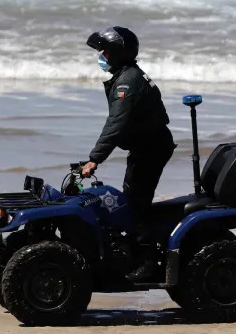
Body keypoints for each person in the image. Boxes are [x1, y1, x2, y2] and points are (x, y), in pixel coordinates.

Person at [81, 26, 176, 282]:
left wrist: (95, 158)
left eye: (106, 51)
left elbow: (116, 123)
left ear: (120, 54)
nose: (101, 55)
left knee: (136, 202)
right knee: (134, 196)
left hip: (151, 148)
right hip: (147, 146)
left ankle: (148, 264)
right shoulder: (128, 75)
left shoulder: (127, 82)